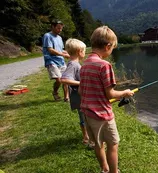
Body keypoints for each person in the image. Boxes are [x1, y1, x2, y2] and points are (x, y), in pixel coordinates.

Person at [79, 26, 134, 173]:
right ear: (107, 46)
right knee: (113, 144)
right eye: (112, 48)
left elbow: (81, 90)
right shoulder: (104, 66)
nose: (111, 52)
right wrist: (125, 93)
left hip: (87, 113)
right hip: (102, 115)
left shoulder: (84, 64)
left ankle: (104, 168)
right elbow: (110, 94)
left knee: (98, 144)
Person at [60, 38, 92, 147]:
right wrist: (81, 83)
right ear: (79, 51)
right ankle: (86, 138)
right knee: (84, 117)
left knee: (85, 117)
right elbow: (63, 80)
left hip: (80, 96)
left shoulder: (74, 63)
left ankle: (87, 136)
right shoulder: (73, 64)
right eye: (84, 50)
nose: (85, 52)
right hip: (79, 97)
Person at [42, 19, 70, 102]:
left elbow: (61, 50)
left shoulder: (60, 38)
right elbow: (50, 50)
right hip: (51, 60)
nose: (60, 30)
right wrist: (63, 55)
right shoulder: (47, 36)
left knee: (65, 79)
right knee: (59, 79)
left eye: (61, 28)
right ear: (52, 27)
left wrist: (69, 53)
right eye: (58, 28)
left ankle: (66, 97)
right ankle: (55, 92)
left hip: (60, 61)